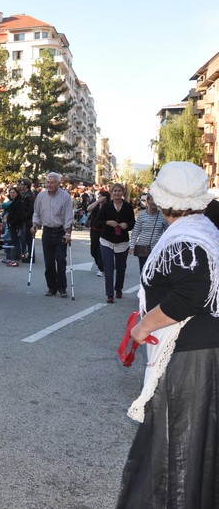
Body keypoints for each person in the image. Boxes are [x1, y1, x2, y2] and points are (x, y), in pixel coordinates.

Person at [116, 161, 219, 507]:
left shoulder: (187, 237)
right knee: (194, 443)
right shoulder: (201, 227)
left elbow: (192, 293)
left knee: (178, 445)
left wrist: (144, 325)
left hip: (191, 356)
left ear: (163, 199)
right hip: (202, 349)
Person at [31, 172, 73, 298]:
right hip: (47, 232)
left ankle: (62, 287)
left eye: (52, 182)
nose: (49, 185)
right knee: (49, 262)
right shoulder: (41, 196)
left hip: (60, 232)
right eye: (47, 182)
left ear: (59, 184)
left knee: (60, 260)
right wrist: (35, 225)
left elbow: (69, 216)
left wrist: (68, 233)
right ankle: (51, 287)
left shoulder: (65, 197)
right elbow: (36, 213)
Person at [93, 183, 135, 303]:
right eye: (115, 191)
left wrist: (127, 225)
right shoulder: (106, 206)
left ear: (123, 193)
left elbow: (132, 223)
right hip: (106, 240)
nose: (117, 193)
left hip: (122, 241)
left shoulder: (128, 206)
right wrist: (107, 222)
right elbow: (97, 222)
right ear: (111, 192)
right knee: (109, 267)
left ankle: (118, 289)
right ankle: (109, 294)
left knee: (121, 268)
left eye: (119, 191)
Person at [129, 193, 167, 271]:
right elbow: (136, 231)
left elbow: (167, 232)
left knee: (155, 272)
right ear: (147, 201)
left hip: (157, 249)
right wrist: (132, 246)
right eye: (151, 199)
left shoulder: (163, 216)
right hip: (143, 248)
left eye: (156, 200)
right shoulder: (142, 215)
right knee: (143, 272)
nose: (154, 202)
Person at [85, 190, 108, 277]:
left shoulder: (108, 206)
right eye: (99, 197)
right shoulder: (96, 205)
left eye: (102, 197)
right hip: (94, 231)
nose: (100, 198)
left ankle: (101, 268)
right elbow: (88, 208)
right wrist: (98, 201)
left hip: (104, 231)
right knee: (93, 251)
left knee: (100, 251)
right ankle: (101, 265)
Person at [5, 186, 25, 267]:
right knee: (15, 242)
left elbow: (19, 215)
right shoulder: (13, 202)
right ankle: (15, 259)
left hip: (16, 225)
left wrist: (12, 223)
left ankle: (16, 260)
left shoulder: (18, 202)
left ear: (17, 194)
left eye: (14, 192)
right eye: (11, 192)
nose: (12, 194)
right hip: (13, 225)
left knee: (16, 243)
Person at [19, 178, 36, 263]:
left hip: (29, 220)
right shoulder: (26, 194)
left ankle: (31, 257)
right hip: (27, 219)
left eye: (22, 184)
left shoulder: (29, 195)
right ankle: (29, 256)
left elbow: (31, 209)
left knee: (29, 239)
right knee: (27, 239)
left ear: (26, 185)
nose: (20, 185)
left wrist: (25, 217)